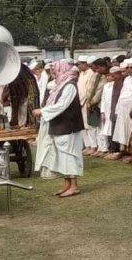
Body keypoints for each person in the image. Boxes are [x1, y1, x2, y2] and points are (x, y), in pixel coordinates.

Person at [32, 60, 84, 198]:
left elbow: (62, 105)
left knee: (69, 155)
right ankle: (67, 184)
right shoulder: (61, 85)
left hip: (68, 126)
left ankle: (74, 186)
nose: (53, 73)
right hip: (59, 125)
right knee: (61, 155)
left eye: (55, 70)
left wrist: (43, 111)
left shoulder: (70, 86)